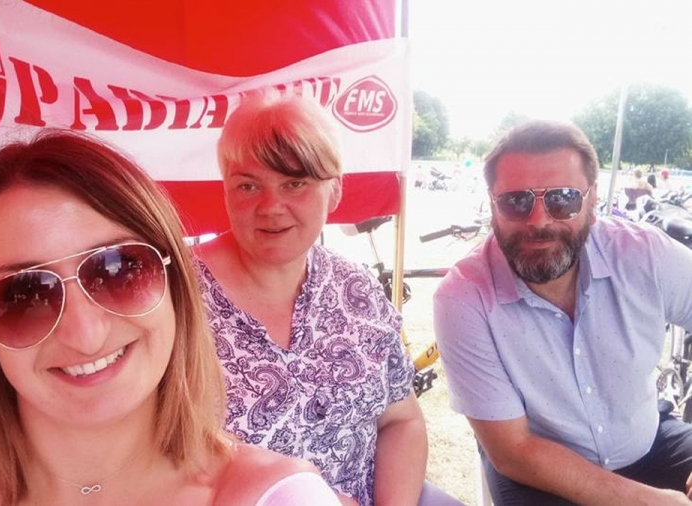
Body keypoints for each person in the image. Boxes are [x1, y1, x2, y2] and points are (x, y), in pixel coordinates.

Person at [0, 130, 343, 505]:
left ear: (176, 284)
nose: (84, 333)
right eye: (22, 295)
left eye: (120, 269)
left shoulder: (271, 494)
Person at [194, 92, 461, 506]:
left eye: (295, 183)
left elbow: (400, 420)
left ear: (334, 191)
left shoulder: (358, 290)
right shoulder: (174, 298)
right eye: (248, 185)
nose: (271, 206)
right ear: (226, 192)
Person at [434, 120, 692, 505]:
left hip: (647, 439)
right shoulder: (463, 298)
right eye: (516, 201)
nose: (539, 221)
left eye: (563, 199)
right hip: (538, 467)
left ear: (592, 201)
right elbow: (513, 450)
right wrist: (647, 501)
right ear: (492, 205)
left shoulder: (645, 255)